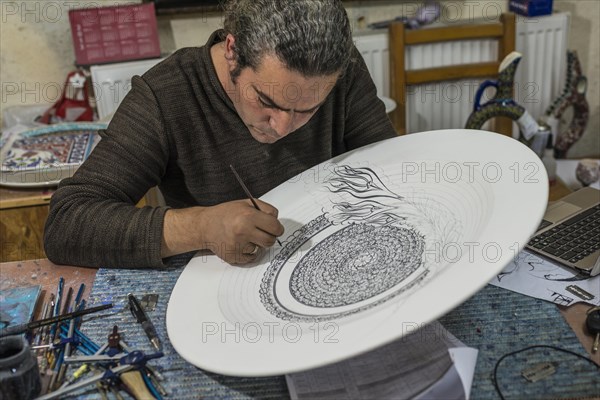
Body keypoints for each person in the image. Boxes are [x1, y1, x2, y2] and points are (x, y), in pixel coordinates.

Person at [44, 0, 396, 269]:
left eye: (308, 109)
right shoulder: (166, 96)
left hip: (338, 260)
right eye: (265, 101)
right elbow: (66, 224)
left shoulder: (340, 69)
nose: (283, 126)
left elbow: (392, 170)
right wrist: (201, 227)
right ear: (233, 51)